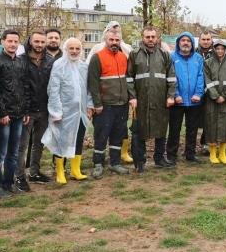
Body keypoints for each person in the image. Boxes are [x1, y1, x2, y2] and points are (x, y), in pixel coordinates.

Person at [43, 38, 93, 184]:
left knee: (78, 139)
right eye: (71, 48)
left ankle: (75, 170)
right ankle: (60, 171)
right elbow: (53, 89)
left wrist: (89, 106)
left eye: (77, 49)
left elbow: (88, 89)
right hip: (64, 112)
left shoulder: (84, 66)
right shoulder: (59, 65)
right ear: (66, 50)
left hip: (81, 112)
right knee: (61, 140)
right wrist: (56, 112)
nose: (74, 51)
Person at [127, 27, 176, 171]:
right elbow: (129, 77)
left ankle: (159, 158)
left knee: (161, 129)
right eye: (147, 37)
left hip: (160, 100)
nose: (150, 39)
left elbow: (172, 77)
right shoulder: (134, 54)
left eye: (153, 37)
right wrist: (132, 97)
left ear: (157, 38)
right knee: (139, 131)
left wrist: (170, 96)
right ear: (143, 38)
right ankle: (140, 162)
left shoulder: (165, 55)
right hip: (140, 101)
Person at [0, 30, 30, 199]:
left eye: (15, 41)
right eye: (9, 41)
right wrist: (1, 112)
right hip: (3, 116)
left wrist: (25, 110)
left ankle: (9, 183)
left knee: (14, 152)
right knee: (0, 152)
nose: (13, 44)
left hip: (19, 115)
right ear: (3, 42)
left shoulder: (21, 62)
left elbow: (24, 87)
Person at [87, 21, 134, 164]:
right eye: (111, 40)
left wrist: (129, 98)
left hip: (122, 104)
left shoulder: (124, 56)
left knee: (118, 135)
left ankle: (115, 163)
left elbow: (128, 78)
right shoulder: (97, 56)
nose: (114, 42)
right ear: (106, 39)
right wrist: (96, 103)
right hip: (105, 105)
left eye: (117, 40)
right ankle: (98, 163)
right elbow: (93, 82)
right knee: (101, 135)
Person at [16, 31, 55, 191]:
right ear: (30, 42)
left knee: (39, 143)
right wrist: (24, 109)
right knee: (22, 145)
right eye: (36, 41)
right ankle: (19, 176)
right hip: (27, 111)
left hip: (44, 109)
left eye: (42, 42)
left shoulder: (50, 61)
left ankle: (34, 172)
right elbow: (18, 87)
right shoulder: (21, 60)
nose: (39, 45)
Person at [168, 32, 206, 165]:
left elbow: (201, 76)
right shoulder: (172, 57)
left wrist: (198, 94)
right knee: (174, 129)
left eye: (188, 41)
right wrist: (176, 95)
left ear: (192, 43)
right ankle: (171, 155)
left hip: (194, 101)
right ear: (178, 43)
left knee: (192, 129)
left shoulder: (198, 58)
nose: (185, 43)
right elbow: (170, 77)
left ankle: (190, 154)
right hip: (177, 101)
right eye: (183, 40)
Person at [203, 40, 226, 164]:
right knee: (211, 125)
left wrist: (225, 96)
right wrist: (216, 96)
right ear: (214, 49)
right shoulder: (208, 63)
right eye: (217, 49)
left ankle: (222, 154)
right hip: (211, 100)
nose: (220, 51)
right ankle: (212, 154)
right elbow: (206, 81)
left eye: (222, 49)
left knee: (225, 125)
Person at [195, 30, 215, 154]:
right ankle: (191, 144)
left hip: (211, 90)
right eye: (203, 39)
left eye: (208, 39)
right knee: (193, 118)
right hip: (196, 90)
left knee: (209, 117)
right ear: (199, 40)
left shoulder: (216, 54)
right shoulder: (193, 53)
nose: (206, 42)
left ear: (211, 40)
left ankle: (206, 143)